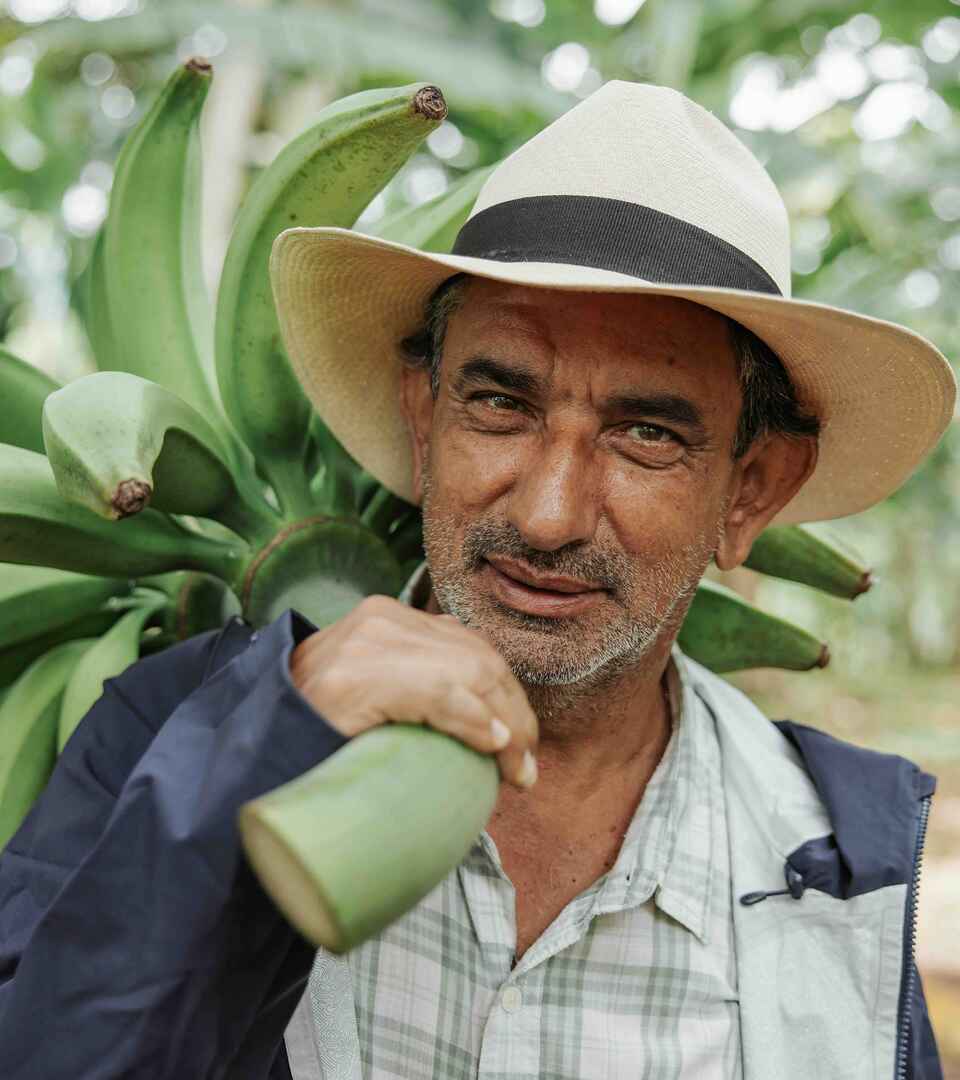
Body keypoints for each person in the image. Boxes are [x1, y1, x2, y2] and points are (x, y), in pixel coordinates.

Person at [0, 80, 952, 1080]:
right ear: (423, 418)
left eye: (646, 435)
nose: (546, 516)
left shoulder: (842, 871)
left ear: (751, 492)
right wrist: (250, 755)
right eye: (499, 403)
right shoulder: (171, 737)